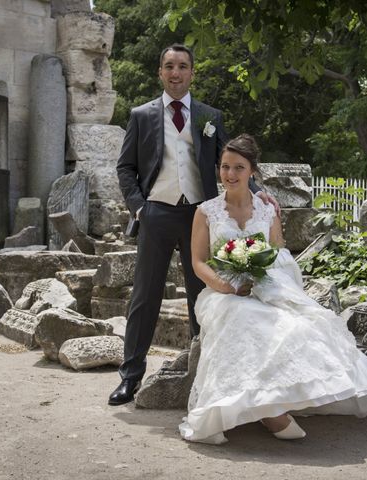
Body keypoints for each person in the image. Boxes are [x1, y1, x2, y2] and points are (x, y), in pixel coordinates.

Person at [179, 134, 367, 444]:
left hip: (265, 287)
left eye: (238, 168)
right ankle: (271, 414)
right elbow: (198, 261)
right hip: (220, 293)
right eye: (225, 167)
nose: (229, 175)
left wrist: (264, 282)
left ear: (252, 172)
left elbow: (279, 256)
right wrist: (225, 285)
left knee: (293, 325)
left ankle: (274, 401)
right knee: (240, 318)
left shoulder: (268, 209)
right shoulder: (206, 212)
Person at [112, 45, 275, 406]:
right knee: (144, 297)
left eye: (182, 66)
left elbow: (232, 161)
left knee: (202, 295)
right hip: (155, 213)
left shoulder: (208, 115)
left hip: (199, 216)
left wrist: (259, 192)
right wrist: (139, 209)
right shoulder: (141, 115)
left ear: (192, 73)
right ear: (160, 72)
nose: (176, 72)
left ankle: (204, 374)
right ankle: (130, 376)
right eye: (169, 66)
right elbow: (125, 168)